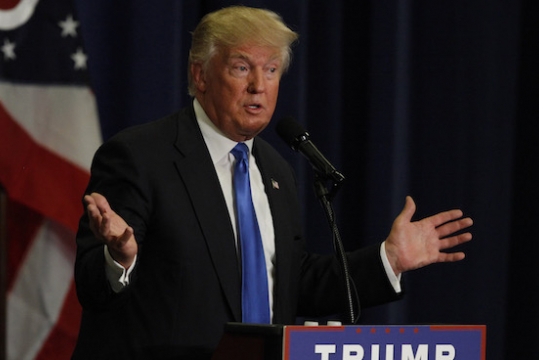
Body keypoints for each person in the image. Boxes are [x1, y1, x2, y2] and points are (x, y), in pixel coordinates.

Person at [72, 5, 473, 360]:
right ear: (201, 75)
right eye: (242, 67)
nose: (258, 86)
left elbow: (292, 284)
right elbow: (93, 287)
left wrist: (389, 259)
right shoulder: (140, 155)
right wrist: (121, 259)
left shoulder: (276, 170)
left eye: (271, 70)